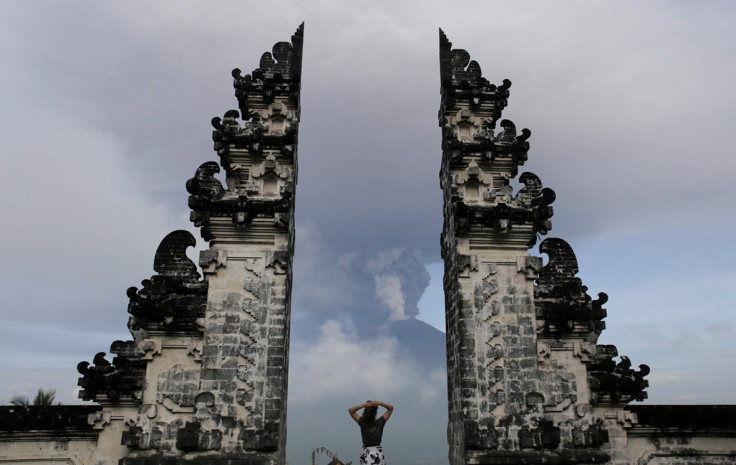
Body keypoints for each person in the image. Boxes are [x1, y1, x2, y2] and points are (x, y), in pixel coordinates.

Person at [348, 400, 394, 465]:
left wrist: (363, 405)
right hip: (378, 453)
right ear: (375, 412)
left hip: (365, 454)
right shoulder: (380, 422)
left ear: (365, 411)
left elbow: (351, 411)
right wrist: (380, 403)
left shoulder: (362, 422)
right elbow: (391, 408)